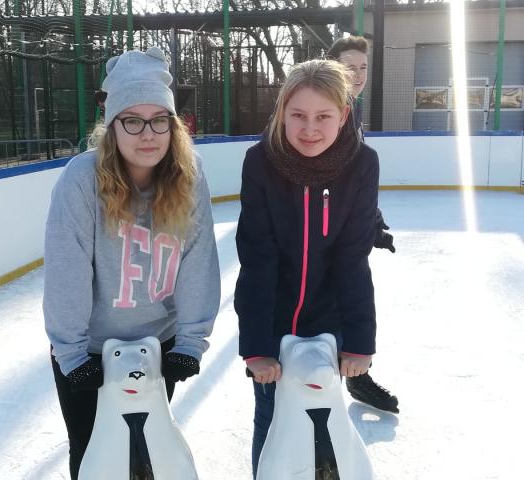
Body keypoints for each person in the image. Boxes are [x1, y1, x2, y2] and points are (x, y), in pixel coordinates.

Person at [43, 47, 221, 480]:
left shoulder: (189, 175)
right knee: (93, 454)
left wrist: (190, 342)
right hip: (88, 351)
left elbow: (198, 260)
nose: (148, 134)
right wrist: (72, 355)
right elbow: (66, 272)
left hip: (157, 347)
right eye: (133, 120)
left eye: (160, 119)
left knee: (146, 450)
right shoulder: (82, 179)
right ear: (112, 124)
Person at [234, 59, 379, 477]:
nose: (309, 129)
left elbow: (353, 258)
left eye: (323, 116)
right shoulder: (260, 161)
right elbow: (257, 258)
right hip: (274, 324)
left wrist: (359, 341)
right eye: (298, 115)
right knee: (272, 419)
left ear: (344, 115)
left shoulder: (362, 163)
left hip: (331, 323)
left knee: (325, 424)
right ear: (282, 113)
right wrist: (257, 347)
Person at [327, 35, 399, 413]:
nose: (357, 75)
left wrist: (373, 221)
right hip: (326, 230)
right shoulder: (328, 111)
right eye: (349, 67)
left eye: (363, 68)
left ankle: (356, 374)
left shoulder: (351, 109)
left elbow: (357, 176)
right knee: (341, 301)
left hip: (347, 228)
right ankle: (342, 377)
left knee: (352, 298)